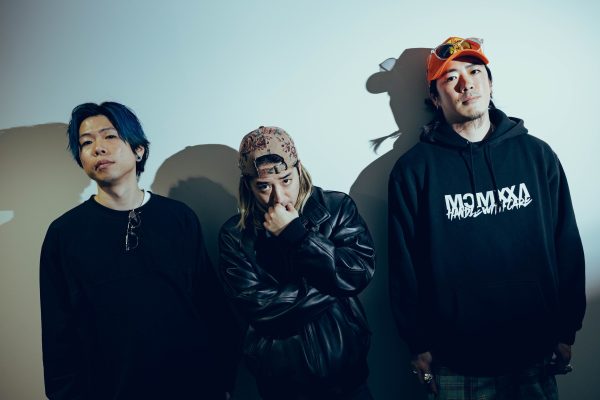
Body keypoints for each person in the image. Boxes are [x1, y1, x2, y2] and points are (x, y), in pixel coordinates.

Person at [388, 37, 586, 399]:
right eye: (450, 78)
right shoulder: (414, 171)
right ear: (435, 98)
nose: (466, 83)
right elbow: (404, 266)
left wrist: (566, 329)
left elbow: (567, 244)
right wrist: (417, 343)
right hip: (455, 358)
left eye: (475, 71)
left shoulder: (537, 156)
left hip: (535, 349)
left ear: (490, 83)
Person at [40, 102, 237, 399]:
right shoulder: (64, 234)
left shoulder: (179, 218)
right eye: (86, 142)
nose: (98, 148)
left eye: (110, 136)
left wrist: (223, 381)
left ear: (138, 150)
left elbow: (210, 305)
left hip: (192, 386)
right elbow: (57, 334)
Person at [218, 126, 375, 399]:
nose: (278, 197)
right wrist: (331, 284)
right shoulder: (235, 236)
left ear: (299, 170)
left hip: (347, 378)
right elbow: (263, 311)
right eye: (264, 186)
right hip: (282, 385)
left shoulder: (336, 208)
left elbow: (357, 274)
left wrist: (297, 235)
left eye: (286, 180)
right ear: (248, 185)